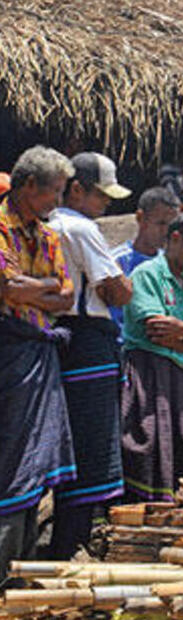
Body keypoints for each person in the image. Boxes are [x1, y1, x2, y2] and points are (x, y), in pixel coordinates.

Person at [46, 153, 133, 558]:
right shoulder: (80, 228)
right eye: (101, 195)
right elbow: (115, 291)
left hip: (54, 341)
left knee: (62, 449)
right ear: (76, 189)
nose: (106, 205)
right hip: (89, 343)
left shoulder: (41, 226)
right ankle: (71, 547)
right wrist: (125, 286)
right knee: (92, 448)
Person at [0, 147, 77, 571]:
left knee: (32, 456)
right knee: (13, 454)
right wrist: (39, 288)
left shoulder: (47, 234)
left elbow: (67, 297)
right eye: (55, 192)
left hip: (37, 349)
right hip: (10, 351)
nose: (58, 202)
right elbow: (9, 290)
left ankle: (22, 562)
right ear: (29, 186)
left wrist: (36, 286)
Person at [121, 213, 183, 502]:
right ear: (176, 239)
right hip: (150, 374)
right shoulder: (147, 274)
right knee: (148, 444)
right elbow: (156, 330)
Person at [110, 187, 180, 333]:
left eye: (171, 226)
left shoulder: (171, 265)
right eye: (161, 223)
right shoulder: (117, 260)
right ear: (140, 218)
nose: (166, 231)